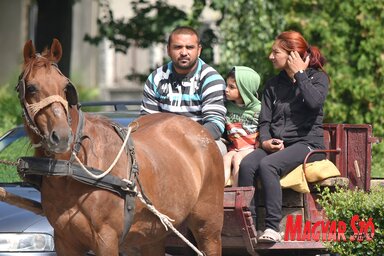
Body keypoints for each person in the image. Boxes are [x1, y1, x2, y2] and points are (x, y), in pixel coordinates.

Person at [238, 30, 329, 243]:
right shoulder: (272, 85)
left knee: (268, 165)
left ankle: (272, 227)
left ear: (292, 55)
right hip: (278, 146)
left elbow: (315, 102)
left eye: (275, 52)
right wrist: (266, 140)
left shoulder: (318, 78)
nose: (270, 56)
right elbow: (265, 121)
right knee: (247, 164)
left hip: (309, 145)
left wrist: (300, 75)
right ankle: (247, 225)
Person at [140, 26, 227, 154]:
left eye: (190, 47)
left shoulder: (211, 79)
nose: (184, 52)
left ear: (199, 50)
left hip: (203, 142)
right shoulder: (156, 78)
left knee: (215, 150)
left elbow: (215, 126)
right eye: (178, 47)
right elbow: (146, 122)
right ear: (168, 50)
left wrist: (182, 143)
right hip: (162, 143)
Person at [223, 66, 261, 187]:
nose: (226, 89)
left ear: (245, 89)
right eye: (226, 85)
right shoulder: (226, 106)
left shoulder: (258, 109)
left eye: (231, 87)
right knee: (226, 159)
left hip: (252, 148)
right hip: (234, 147)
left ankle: (237, 195)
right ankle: (221, 194)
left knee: (237, 159)